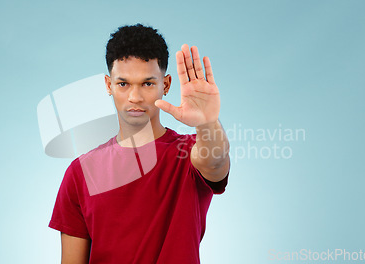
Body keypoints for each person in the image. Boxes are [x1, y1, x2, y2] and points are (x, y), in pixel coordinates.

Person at [49, 23, 230, 264]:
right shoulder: (80, 172)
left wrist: (208, 122)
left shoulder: (188, 154)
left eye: (147, 83)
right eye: (123, 84)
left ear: (165, 85)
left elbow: (215, 160)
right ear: (108, 85)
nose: (135, 97)